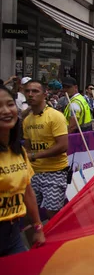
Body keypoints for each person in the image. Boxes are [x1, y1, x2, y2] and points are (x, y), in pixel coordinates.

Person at [0, 85, 46, 256]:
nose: (5, 111)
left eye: (10, 104)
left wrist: (38, 227)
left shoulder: (18, 151)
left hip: (13, 236)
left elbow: (27, 191)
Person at [22, 80, 69, 219]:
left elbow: (63, 146)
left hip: (55, 171)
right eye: (27, 91)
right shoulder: (27, 120)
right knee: (29, 213)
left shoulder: (55, 116)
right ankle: (35, 241)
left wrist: (35, 155)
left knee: (52, 213)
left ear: (44, 94)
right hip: (34, 173)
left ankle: (58, 240)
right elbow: (28, 147)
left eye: (35, 91)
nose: (30, 95)